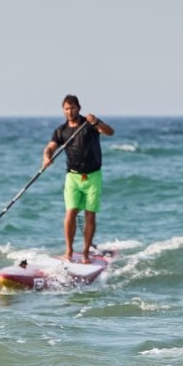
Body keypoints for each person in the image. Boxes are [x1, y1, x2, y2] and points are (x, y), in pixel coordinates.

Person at [42, 95, 114, 263]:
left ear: (79, 108)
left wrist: (97, 122)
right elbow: (50, 147)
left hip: (93, 176)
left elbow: (110, 132)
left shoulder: (89, 123)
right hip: (73, 177)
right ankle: (68, 251)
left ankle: (86, 253)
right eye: (66, 109)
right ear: (63, 110)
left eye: (72, 108)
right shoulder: (60, 131)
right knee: (71, 213)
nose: (69, 111)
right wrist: (46, 157)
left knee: (90, 215)